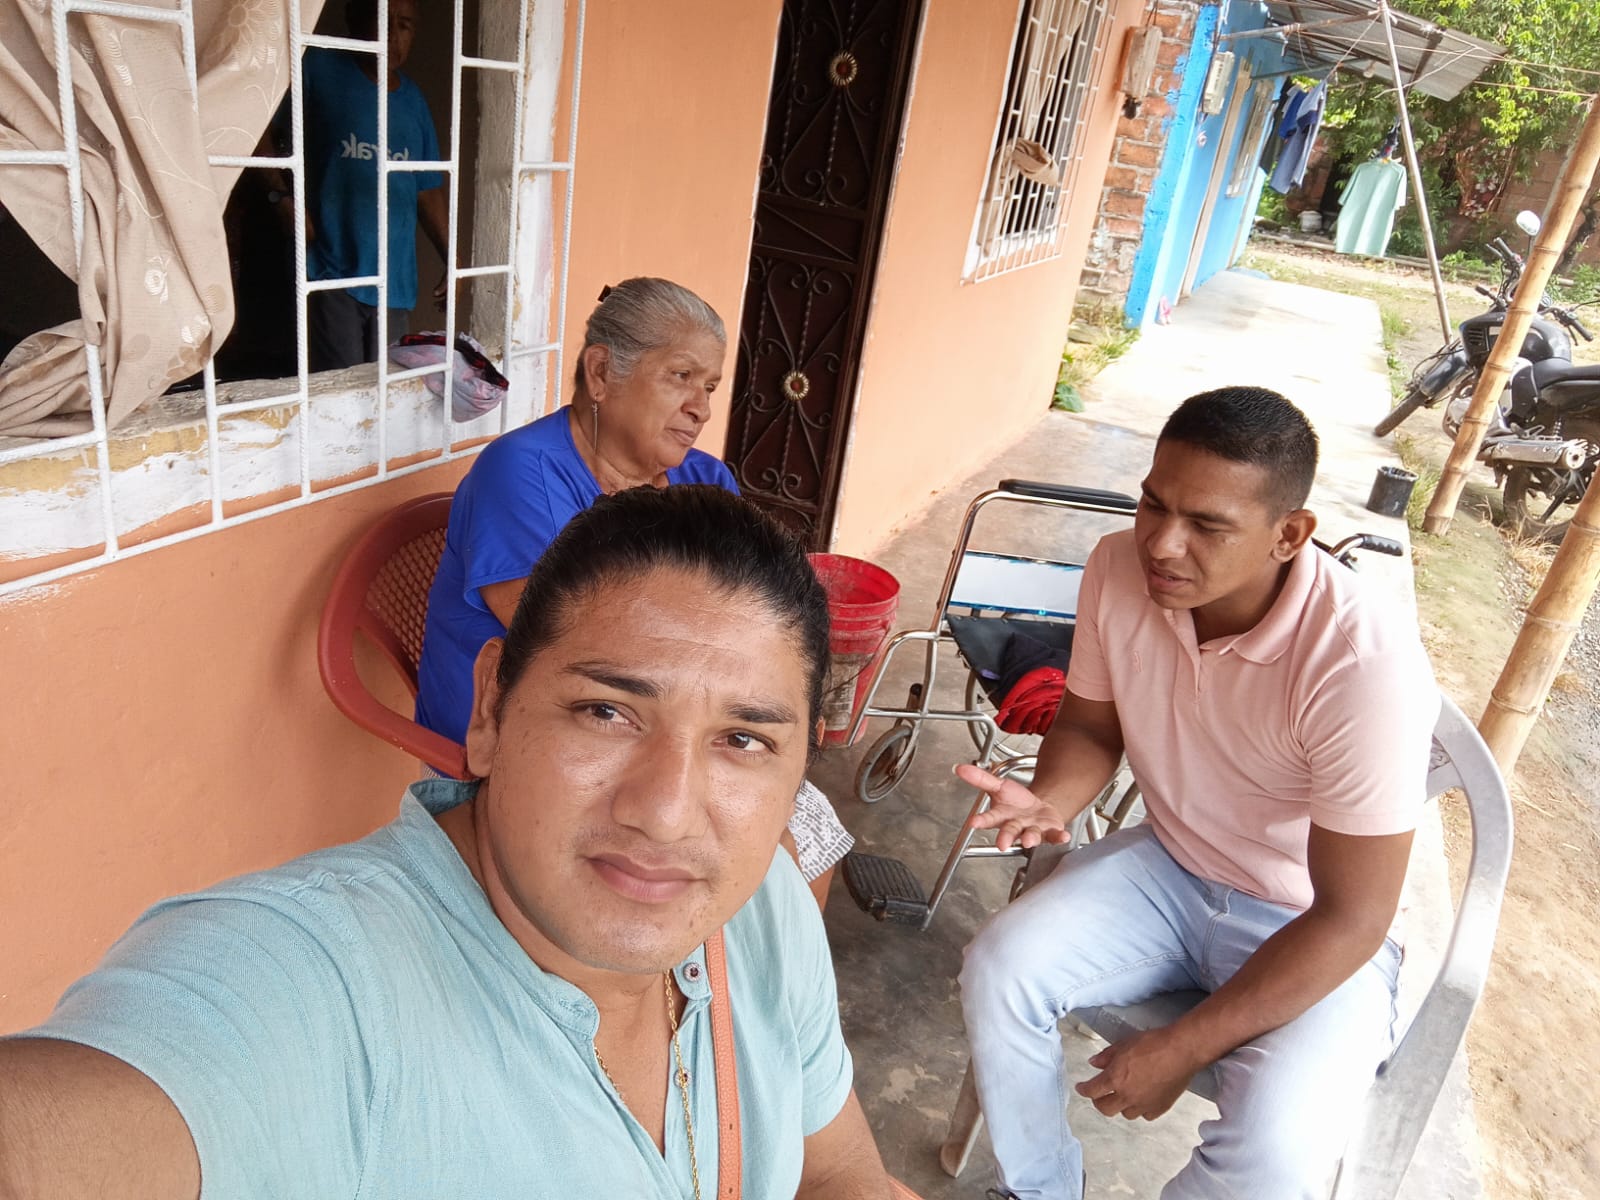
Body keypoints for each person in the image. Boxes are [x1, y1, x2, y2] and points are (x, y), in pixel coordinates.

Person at [0, 485, 893, 1200]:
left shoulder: (765, 908)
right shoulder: (320, 991)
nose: (664, 814)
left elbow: (837, 1172)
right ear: (491, 707)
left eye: (743, 739)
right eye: (605, 711)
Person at [956, 387, 1439, 1200]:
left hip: (1306, 921)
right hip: (1171, 868)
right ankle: (1038, 1189)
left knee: (1278, 1152)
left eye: (1207, 525)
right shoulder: (1116, 567)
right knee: (999, 968)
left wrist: (1182, 1046)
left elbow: (1354, 916)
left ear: (1289, 534)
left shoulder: (1361, 661)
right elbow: (1091, 727)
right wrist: (1053, 801)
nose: (1162, 544)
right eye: (1154, 503)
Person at [416, 276, 853, 905]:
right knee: (739, 853)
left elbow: (746, 619)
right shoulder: (521, 472)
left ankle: (750, 968)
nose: (701, 408)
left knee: (807, 837)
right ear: (601, 373)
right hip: (540, 728)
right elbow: (571, 646)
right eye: (681, 376)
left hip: (671, 717)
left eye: (709, 387)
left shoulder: (704, 482)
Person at [275, 0, 450, 371]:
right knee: (340, 390)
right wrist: (280, 196)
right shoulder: (318, 69)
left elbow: (427, 187)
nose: (392, 36)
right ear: (355, 20)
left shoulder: (413, 102)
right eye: (382, 20)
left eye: (404, 25)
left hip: (394, 283)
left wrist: (453, 259)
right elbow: (255, 129)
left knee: (383, 392)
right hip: (332, 272)